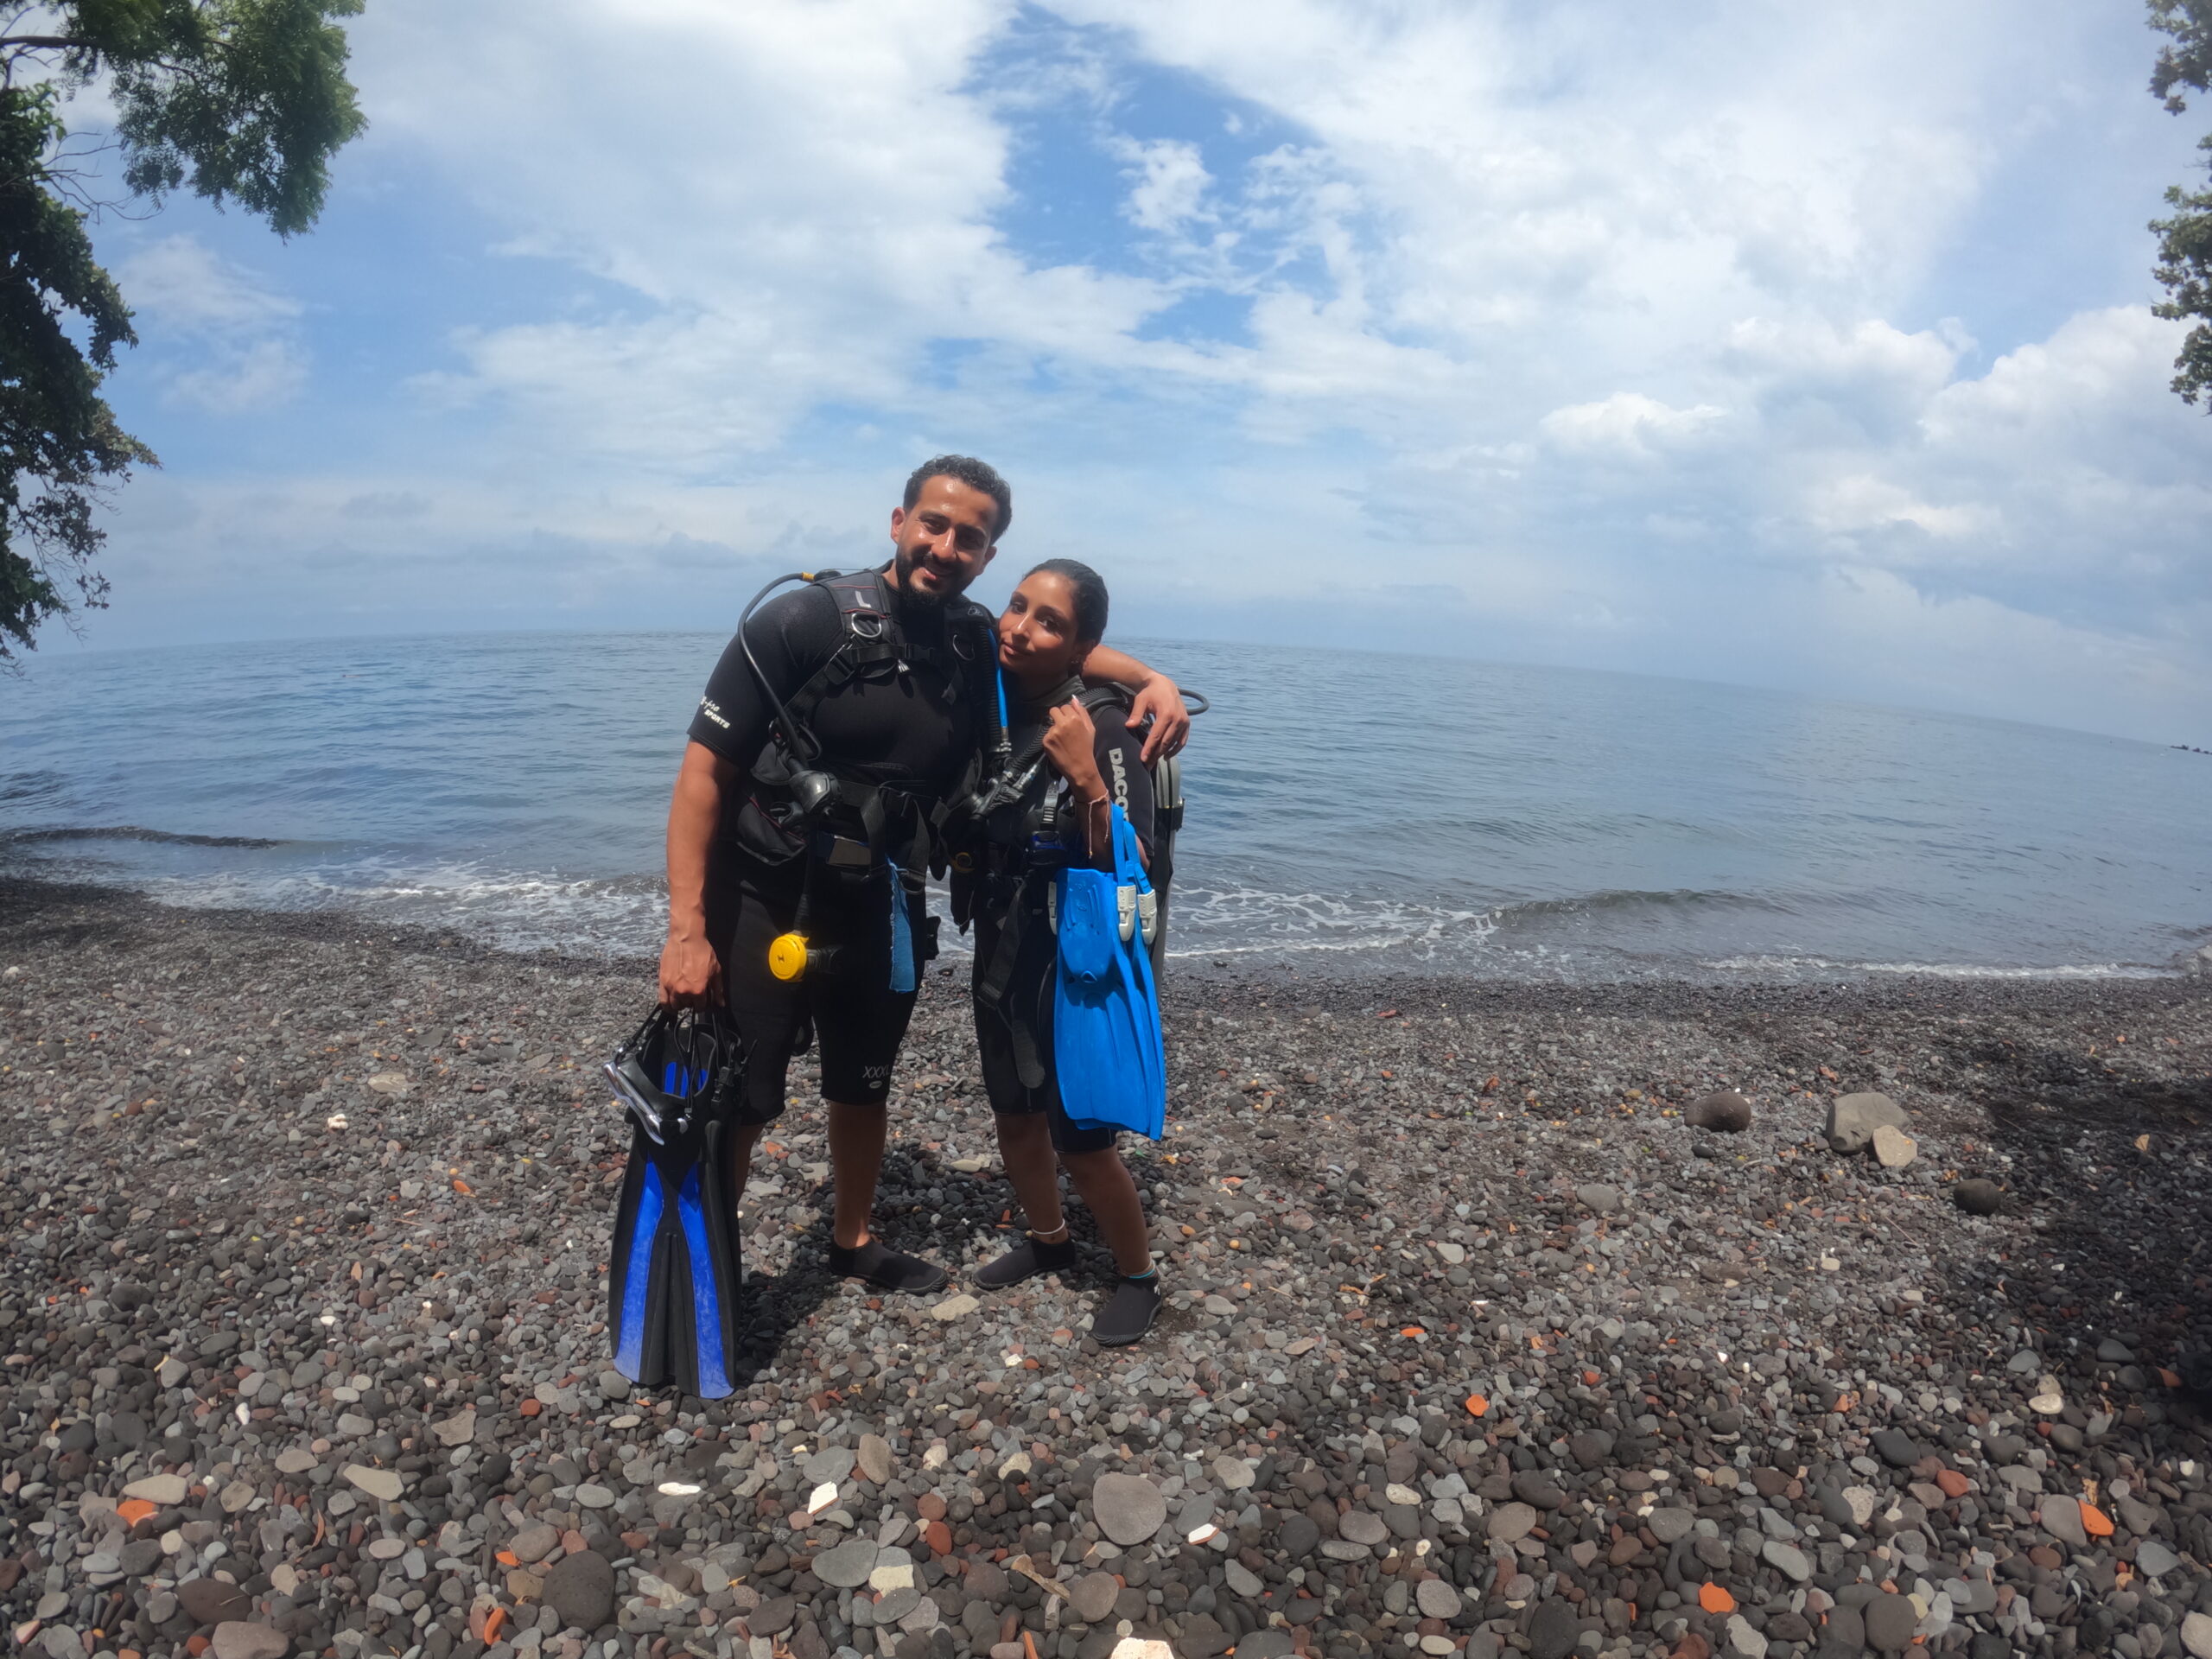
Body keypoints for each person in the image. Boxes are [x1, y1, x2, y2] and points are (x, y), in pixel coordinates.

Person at [658, 457, 1187, 1295]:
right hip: (766, 893)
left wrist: (1151, 679)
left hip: (884, 898)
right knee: (744, 1098)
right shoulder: (801, 619)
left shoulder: (972, 638)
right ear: (898, 521)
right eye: (933, 525)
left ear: (985, 556)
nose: (945, 547)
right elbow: (701, 776)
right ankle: (700, 1285)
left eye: (968, 538)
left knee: (861, 1084)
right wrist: (687, 931)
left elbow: (1058, 654)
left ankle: (853, 1242)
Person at [957, 559, 1164, 1345]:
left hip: (1073, 964)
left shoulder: (1103, 728)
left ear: (1080, 647)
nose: (1019, 628)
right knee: (1013, 1113)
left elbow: (1132, 864)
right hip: (1003, 945)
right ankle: (1049, 1241)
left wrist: (1087, 779)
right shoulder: (994, 700)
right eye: (1017, 606)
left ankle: (1138, 1276)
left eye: (1048, 621)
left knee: (1082, 1140)